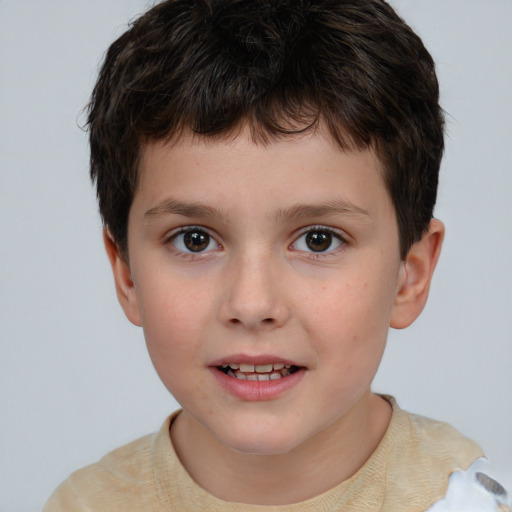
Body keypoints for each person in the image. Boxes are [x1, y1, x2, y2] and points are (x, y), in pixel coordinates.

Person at [43, 0, 497, 510]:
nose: (253, 303)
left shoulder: (464, 501)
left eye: (319, 239)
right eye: (195, 240)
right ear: (126, 274)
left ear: (408, 277)